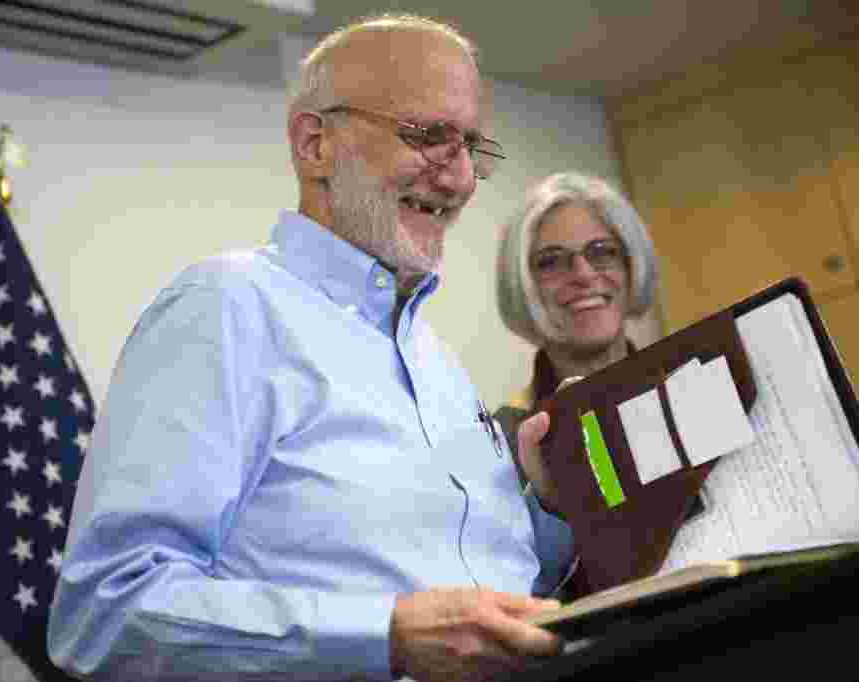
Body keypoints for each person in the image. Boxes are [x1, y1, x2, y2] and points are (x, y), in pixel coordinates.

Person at [48, 14, 577, 682]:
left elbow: (486, 588)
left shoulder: (436, 362)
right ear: (315, 144)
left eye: (471, 146)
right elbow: (104, 612)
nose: (462, 178)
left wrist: (551, 506)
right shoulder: (225, 309)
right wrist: (385, 636)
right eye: (429, 137)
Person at [493, 172, 661, 466]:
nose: (583, 274)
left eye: (602, 252)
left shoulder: (692, 391)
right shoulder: (504, 442)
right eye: (551, 261)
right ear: (522, 284)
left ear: (632, 265)